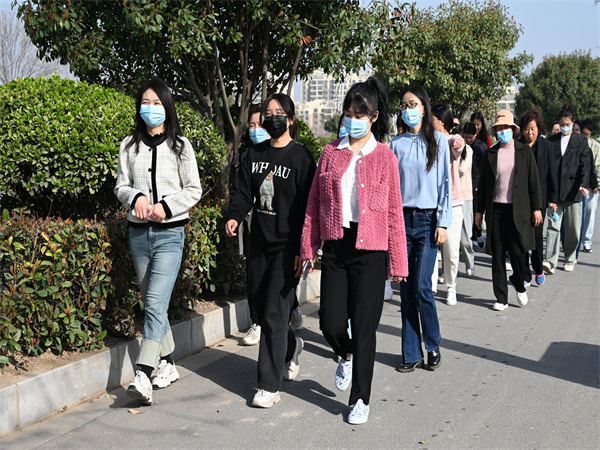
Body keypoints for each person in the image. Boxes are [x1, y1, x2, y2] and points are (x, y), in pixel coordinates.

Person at [300, 76, 408, 425]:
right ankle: (343, 353)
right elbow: (314, 204)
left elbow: (394, 212)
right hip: (336, 245)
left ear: (374, 117)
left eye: (359, 115)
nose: (352, 120)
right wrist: (308, 245)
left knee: (364, 328)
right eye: (348, 114)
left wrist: (398, 262)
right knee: (330, 322)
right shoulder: (330, 153)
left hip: (371, 250)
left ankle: (360, 397)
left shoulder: (385, 157)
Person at [115, 77, 202, 405]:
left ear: (167, 107)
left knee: (153, 301)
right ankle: (168, 362)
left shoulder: (181, 146)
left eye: (156, 103)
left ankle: (143, 373)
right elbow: (121, 185)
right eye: (145, 103)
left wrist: (166, 206)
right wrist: (135, 196)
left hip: (170, 234)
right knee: (153, 302)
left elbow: (193, 189)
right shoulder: (129, 145)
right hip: (138, 234)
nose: (150, 108)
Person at [225, 93, 316, 408]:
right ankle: (291, 349)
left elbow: (309, 209)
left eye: (279, 112)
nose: (271, 117)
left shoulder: (302, 159)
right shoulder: (254, 155)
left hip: (287, 250)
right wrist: (235, 216)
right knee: (262, 313)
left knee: (276, 314)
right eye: (267, 112)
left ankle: (268, 385)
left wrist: (305, 247)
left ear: (290, 120)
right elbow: (242, 193)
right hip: (259, 245)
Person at [390, 85, 451, 372]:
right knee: (405, 290)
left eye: (413, 104)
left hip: (428, 222)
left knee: (422, 287)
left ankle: (433, 344)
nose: (408, 109)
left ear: (424, 108)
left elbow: (445, 184)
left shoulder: (439, 141)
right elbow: (392, 190)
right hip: (402, 221)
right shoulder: (396, 145)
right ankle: (411, 352)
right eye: (404, 105)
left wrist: (443, 222)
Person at [475, 110, 542, 311]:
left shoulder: (524, 151)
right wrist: (479, 212)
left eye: (506, 127)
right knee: (497, 254)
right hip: (496, 210)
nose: (502, 131)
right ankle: (501, 298)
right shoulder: (490, 153)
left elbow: (533, 181)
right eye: (499, 128)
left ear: (513, 129)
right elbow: (484, 185)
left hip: (518, 211)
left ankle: (519, 283)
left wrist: (536, 208)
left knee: (517, 252)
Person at [543, 103, 590, 273]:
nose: (564, 127)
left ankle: (570, 258)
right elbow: (547, 167)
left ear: (573, 122)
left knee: (573, 229)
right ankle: (550, 261)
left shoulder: (581, 141)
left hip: (574, 191)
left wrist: (584, 184)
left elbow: (585, 165)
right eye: (562, 125)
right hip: (555, 192)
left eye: (567, 124)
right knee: (553, 227)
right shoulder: (551, 141)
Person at [517, 108, 558, 287]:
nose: (529, 133)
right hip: (520, 200)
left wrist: (553, 200)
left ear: (538, 128)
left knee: (536, 236)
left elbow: (552, 174)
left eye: (532, 128)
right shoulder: (517, 146)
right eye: (526, 129)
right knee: (521, 238)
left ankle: (538, 268)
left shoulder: (547, 146)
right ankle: (525, 274)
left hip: (539, 199)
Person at [432, 105, 467, 305]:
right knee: (430, 250)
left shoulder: (451, 141)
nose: (429, 122)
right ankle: (430, 288)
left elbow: (458, 145)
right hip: (430, 203)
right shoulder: (427, 141)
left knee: (451, 251)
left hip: (452, 204)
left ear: (442, 122)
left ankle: (451, 286)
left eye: (432, 119)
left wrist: (457, 140)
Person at [241, 106, 270, 346]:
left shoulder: (285, 156)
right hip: (253, 227)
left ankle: (290, 309)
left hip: (278, 232)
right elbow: (241, 192)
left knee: (276, 280)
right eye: (251, 125)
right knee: (253, 277)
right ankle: (257, 322)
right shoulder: (247, 157)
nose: (255, 130)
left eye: (259, 125)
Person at [463, 122, 487, 248]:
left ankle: (477, 234)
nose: (468, 140)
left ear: (475, 135)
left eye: (470, 137)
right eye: (466, 137)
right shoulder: (460, 146)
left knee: (476, 210)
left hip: (477, 182)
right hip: (465, 183)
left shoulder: (481, 147)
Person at [579, 118, 600, 253]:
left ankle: (587, 240)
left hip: (592, 185)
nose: (585, 137)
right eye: (583, 134)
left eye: (587, 135)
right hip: (579, 185)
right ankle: (574, 239)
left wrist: (597, 184)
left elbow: (598, 166)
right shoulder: (576, 143)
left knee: (590, 212)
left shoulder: (596, 146)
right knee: (577, 214)